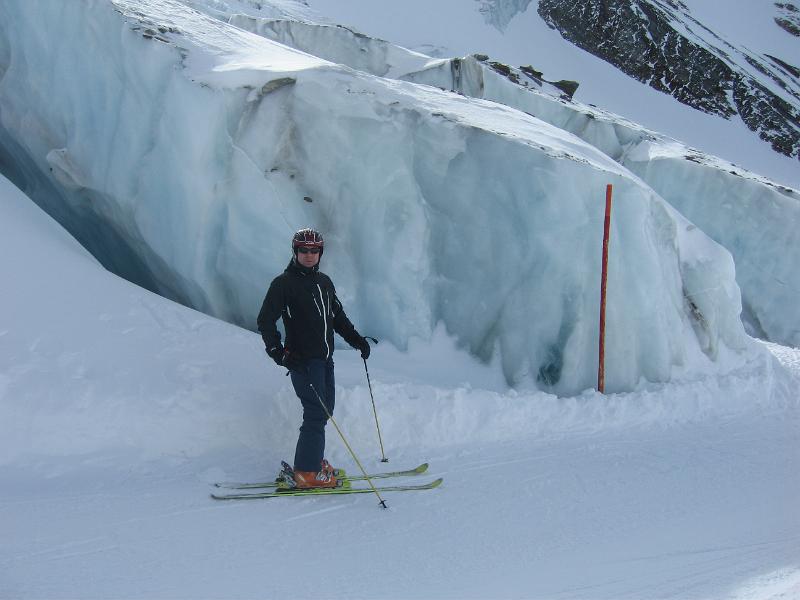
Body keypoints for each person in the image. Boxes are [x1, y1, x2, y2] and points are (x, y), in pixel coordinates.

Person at [257, 228, 371, 489]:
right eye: (304, 250)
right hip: (302, 361)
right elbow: (265, 320)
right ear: (295, 252)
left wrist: (357, 340)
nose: (309, 255)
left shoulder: (324, 283)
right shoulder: (283, 284)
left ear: (320, 252)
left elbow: (337, 318)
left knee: (324, 411)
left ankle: (311, 463)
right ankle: (307, 473)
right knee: (316, 412)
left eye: (314, 250)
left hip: (324, 360)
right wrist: (279, 352)